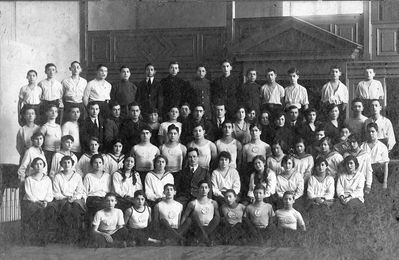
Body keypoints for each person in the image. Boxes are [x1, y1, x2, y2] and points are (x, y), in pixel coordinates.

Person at [21, 157, 55, 245]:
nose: (39, 166)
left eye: (41, 164)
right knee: (37, 212)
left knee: (50, 210)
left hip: (44, 201)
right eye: (36, 164)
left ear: (43, 166)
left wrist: (46, 201)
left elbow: (49, 193)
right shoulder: (29, 179)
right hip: (32, 201)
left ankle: (43, 237)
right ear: (33, 166)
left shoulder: (47, 179)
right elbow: (28, 194)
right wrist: (36, 201)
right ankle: (36, 237)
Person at [52, 155, 86, 242]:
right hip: (62, 199)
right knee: (66, 207)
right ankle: (67, 235)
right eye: (64, 163)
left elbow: (80, 191)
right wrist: (65, 197)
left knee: (75, 208)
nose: (67, 164)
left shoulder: (77, 176)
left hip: (75, 199)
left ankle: (76, 235)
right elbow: (56, 192)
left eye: (68, 162)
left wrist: (74, 198)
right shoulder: (57, 176)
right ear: (61, 164)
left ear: (72, 164)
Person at [180, 180, 220, 246]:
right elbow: (185, 216)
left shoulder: (213, 203)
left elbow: (217, 219)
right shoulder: (193, 203)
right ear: (198, 189)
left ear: (209, 189)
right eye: (202, 187)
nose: (204, 190)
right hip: (197, 228)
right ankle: (205, 239)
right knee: (193, 215)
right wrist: (182, 227)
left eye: (206, 187)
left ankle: (202, 238)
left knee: (217, 217)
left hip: (210, 228)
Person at [361, 123, 389, 189]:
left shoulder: (382, 147)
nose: (370, 134)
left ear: (377, 132)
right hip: (366, 173)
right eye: (368, 132)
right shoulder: (362, 146)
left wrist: (385, 182)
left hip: (378, 173)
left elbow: (386, 165)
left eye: (372, 131)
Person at [83, 154, 111, 219]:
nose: (98, 165)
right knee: (100, 207)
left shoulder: (107, 176)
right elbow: (84, 191)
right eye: (95, 163)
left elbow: (110, 190)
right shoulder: (88, 176)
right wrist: (84, 202)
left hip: (105, 198)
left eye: (100, 162)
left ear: (103, 164)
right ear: (92, 164)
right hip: (92, 198)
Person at [40, 104, 62, 171]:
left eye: (55, 111)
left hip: (57, 153)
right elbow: (39, 140)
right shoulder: (45, 127)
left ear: (57, 114)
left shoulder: (58, 126)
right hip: (48, 153)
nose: (53, 113)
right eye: (51, 111)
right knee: (47, 170)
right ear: (47, 113)